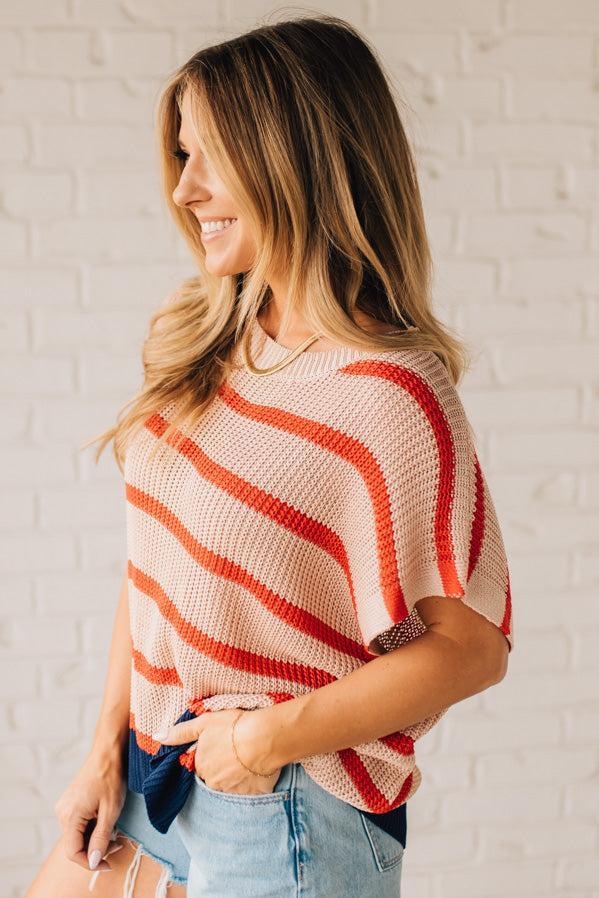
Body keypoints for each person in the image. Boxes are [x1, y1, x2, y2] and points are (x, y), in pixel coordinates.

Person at [25, 13, 513, 898]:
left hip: (284, 803)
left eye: (211, 156)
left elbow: (472, 647)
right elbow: (153, 566)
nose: (184, 189)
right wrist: (102, 751)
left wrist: (264, 740)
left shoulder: (389, 392)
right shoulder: (201, 337)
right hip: (153, 771)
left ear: (296, 159)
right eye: (181, 155)